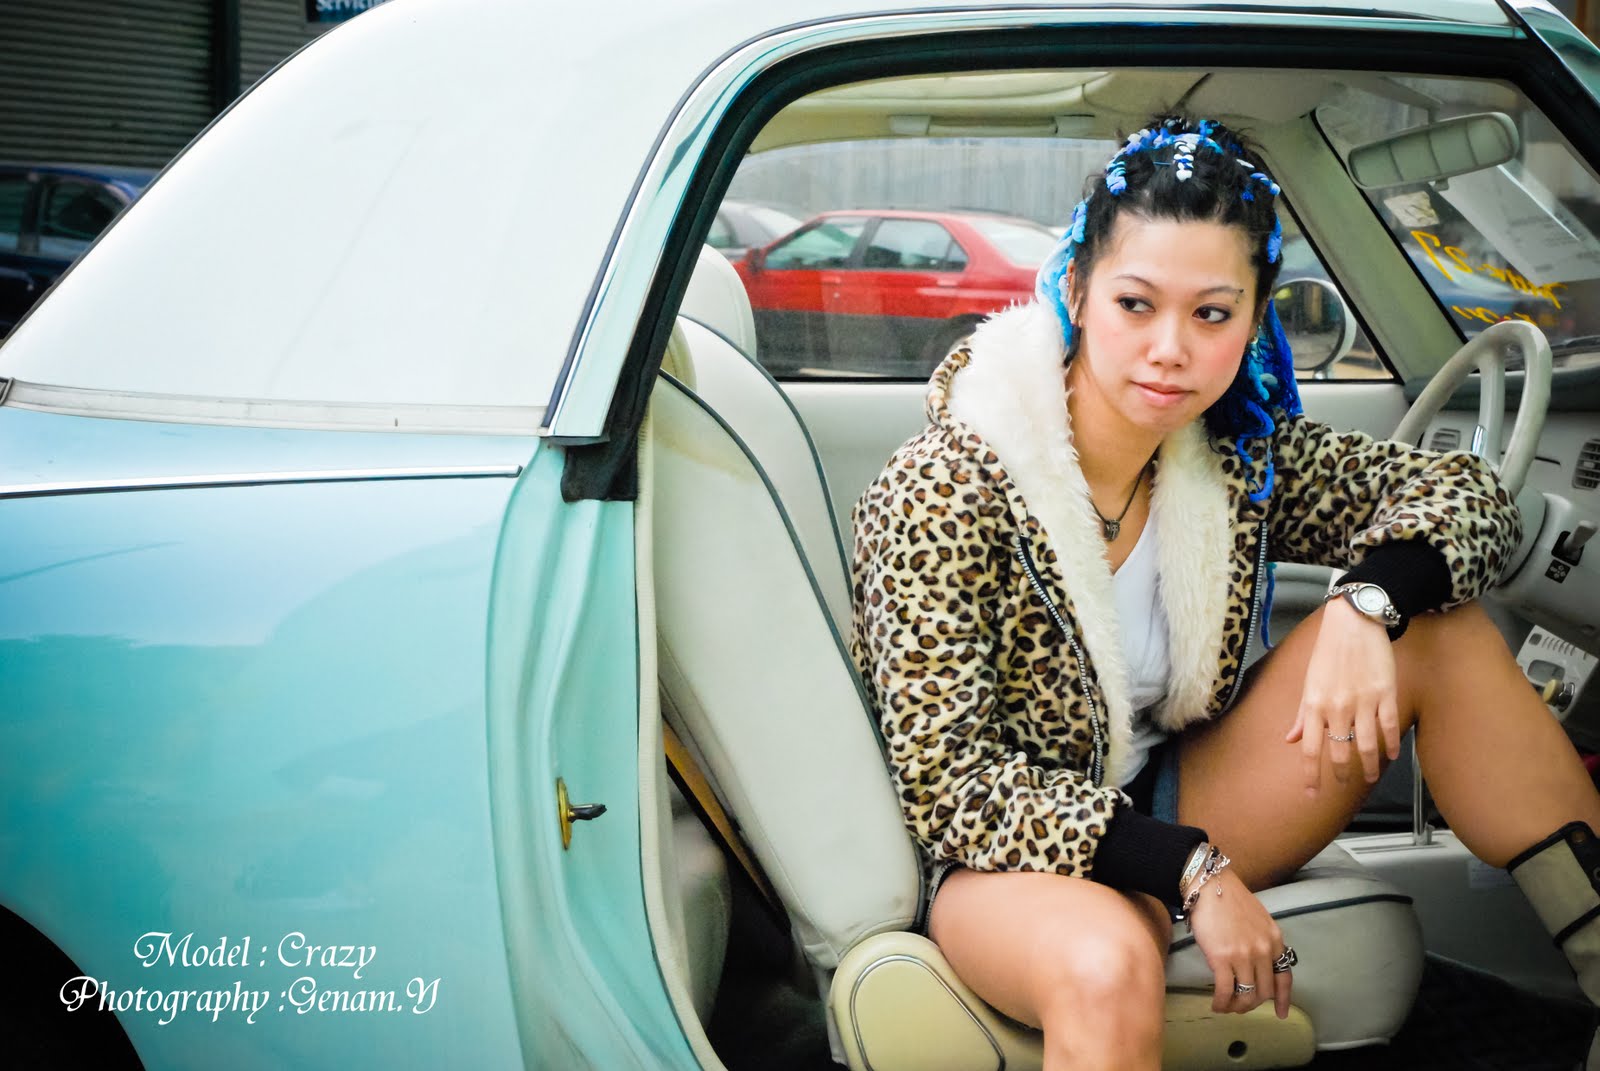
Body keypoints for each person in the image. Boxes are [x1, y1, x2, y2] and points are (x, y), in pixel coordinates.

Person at [848, 115, 1600, 1071]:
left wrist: (1366, 604)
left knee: (1433, 630)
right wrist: (1189, 867)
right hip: (1001, 855)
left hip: (1170, 789)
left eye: (1212, 314)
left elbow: (1469, 491)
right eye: (1135, 304)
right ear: (1076, 290)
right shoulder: (945, 484)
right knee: (1105, 960)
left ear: (1252, 319)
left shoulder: (1233, 458)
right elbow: (952, 784)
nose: (1171, 348)